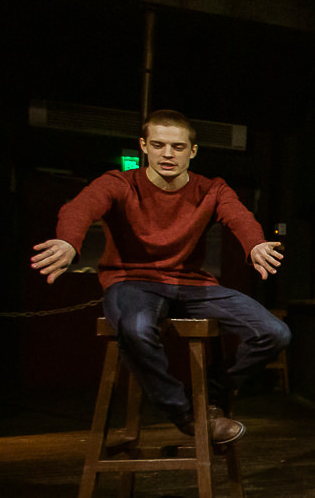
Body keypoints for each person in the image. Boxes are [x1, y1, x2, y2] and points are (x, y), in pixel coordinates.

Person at [31, 109, 289, 444]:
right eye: (158, 145)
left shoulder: (211, 189)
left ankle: (211, 396)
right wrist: (69, 241)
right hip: (132, 280)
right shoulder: (120, 183)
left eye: (178, 147)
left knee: (274, 332)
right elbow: (80, 208)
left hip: (190, 283)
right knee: (136, 330)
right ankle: (185, 414)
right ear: (144, 146)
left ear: (192, 151)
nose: (168, 154)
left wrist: (255, 244)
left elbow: (240, 216)